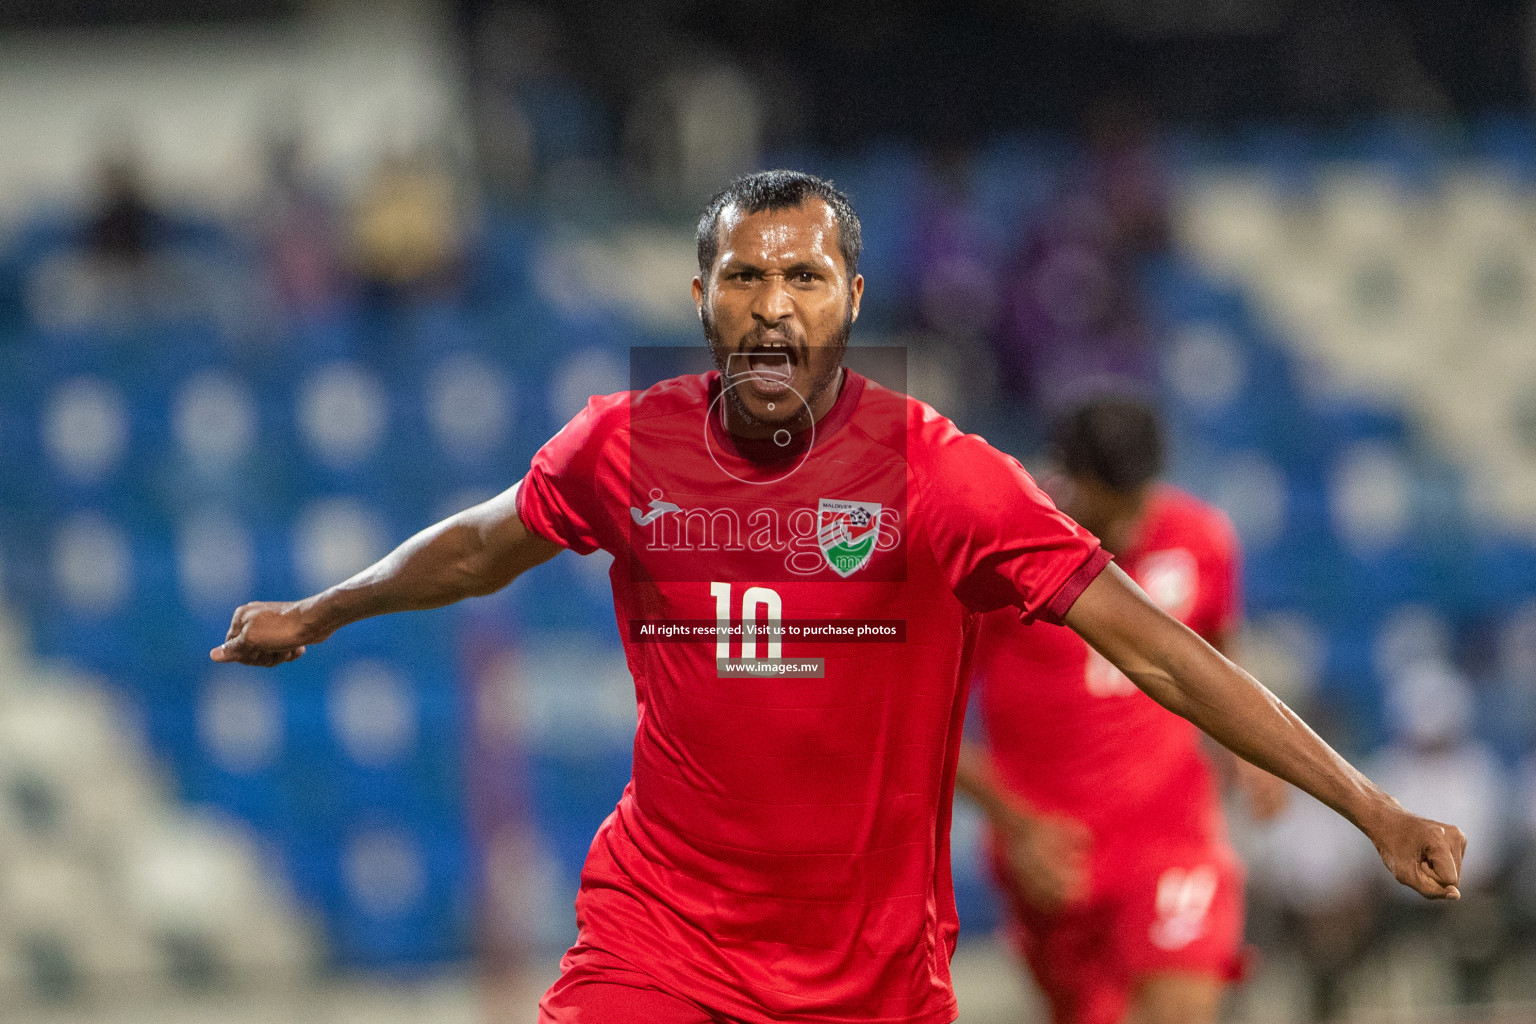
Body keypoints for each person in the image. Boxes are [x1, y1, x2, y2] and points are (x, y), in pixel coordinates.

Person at [211, 170, 1465, 1024]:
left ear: (853, 303)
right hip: (662, 927)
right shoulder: (624, 446)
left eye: (803, 280)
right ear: (698, 298)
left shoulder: (941, 476)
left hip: (867, 973)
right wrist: (322, 611)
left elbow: (1162, 652)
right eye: (744, 280)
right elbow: (480, 546)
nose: (772, 309)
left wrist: (1365, 803)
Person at [956, 396, 1289, 1024]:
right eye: (1116, 496)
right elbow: (925, 723)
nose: (1136, 516)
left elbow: (1216, 655)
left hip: (1172, 830)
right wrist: (1015, 821)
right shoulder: (996, 555)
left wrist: (1249, 752)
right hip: (1057, 851)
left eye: (1143, 493)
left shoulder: (1199, 540)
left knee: (1183, 1002)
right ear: (1071, 479)